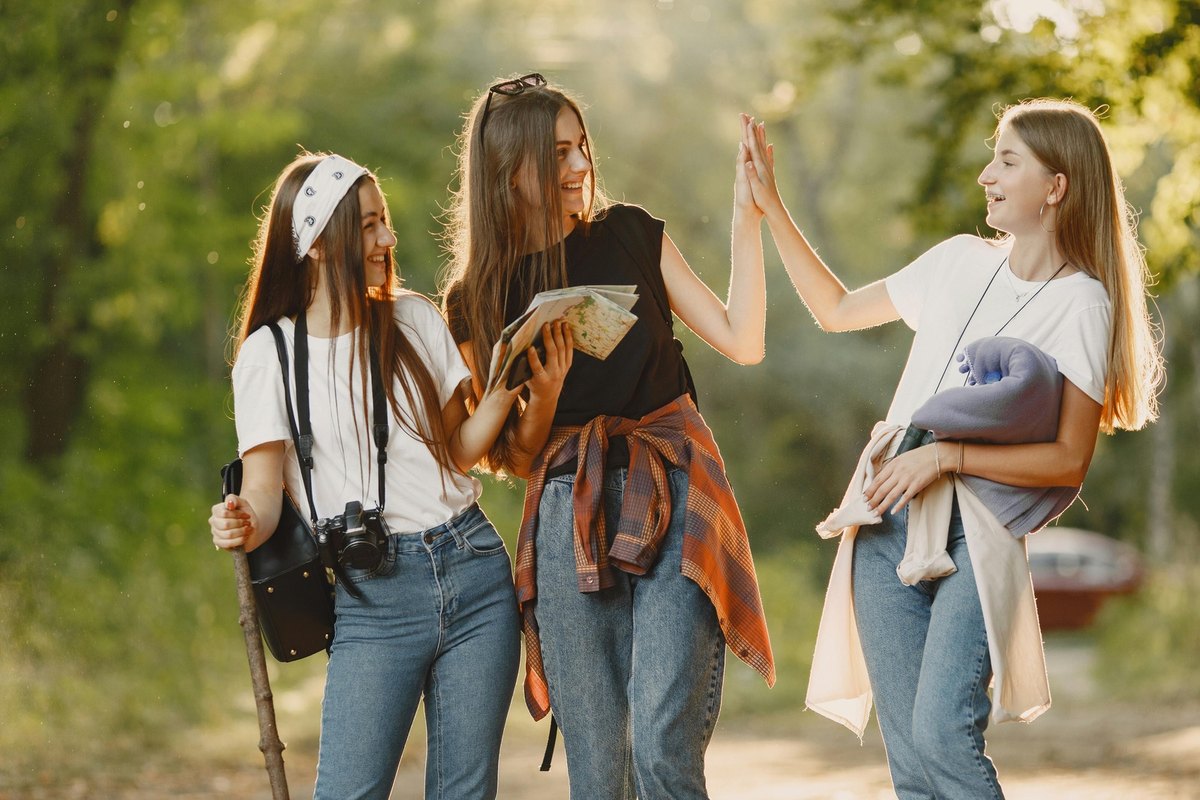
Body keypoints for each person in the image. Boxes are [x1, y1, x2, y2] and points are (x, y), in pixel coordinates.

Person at [743, 99, 1163, 798]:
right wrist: (770, 206)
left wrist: (944, 457)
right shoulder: (958, 261)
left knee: (943, 735)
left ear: (1055, 186)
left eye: (1006, 160)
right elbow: (837, 309)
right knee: (910, 763)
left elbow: (1066, 461)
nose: (985, 176)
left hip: (979, 528)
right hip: (886, 518)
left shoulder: (1083, 302)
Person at [440, 73, 776, 799]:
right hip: (566, 512)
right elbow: (512, 459)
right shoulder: (474, 298)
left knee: (660, 743)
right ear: (510, 171)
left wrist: (748, 220)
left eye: (581, 147)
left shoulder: (629, 234)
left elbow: (743, 341)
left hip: (674, 488)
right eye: (557, 153)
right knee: (597, 771)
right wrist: (548, 393)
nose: (579, 167)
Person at [207, 152, 557, 799]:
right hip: (373, 597)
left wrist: (508, 388)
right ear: (317, 243)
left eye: (383, 222)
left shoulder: (413, 318)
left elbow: (459, 450)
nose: (387, 240)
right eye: (369, 226)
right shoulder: (269, 356)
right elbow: (263, 495)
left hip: (475, 567)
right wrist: (242, 522)